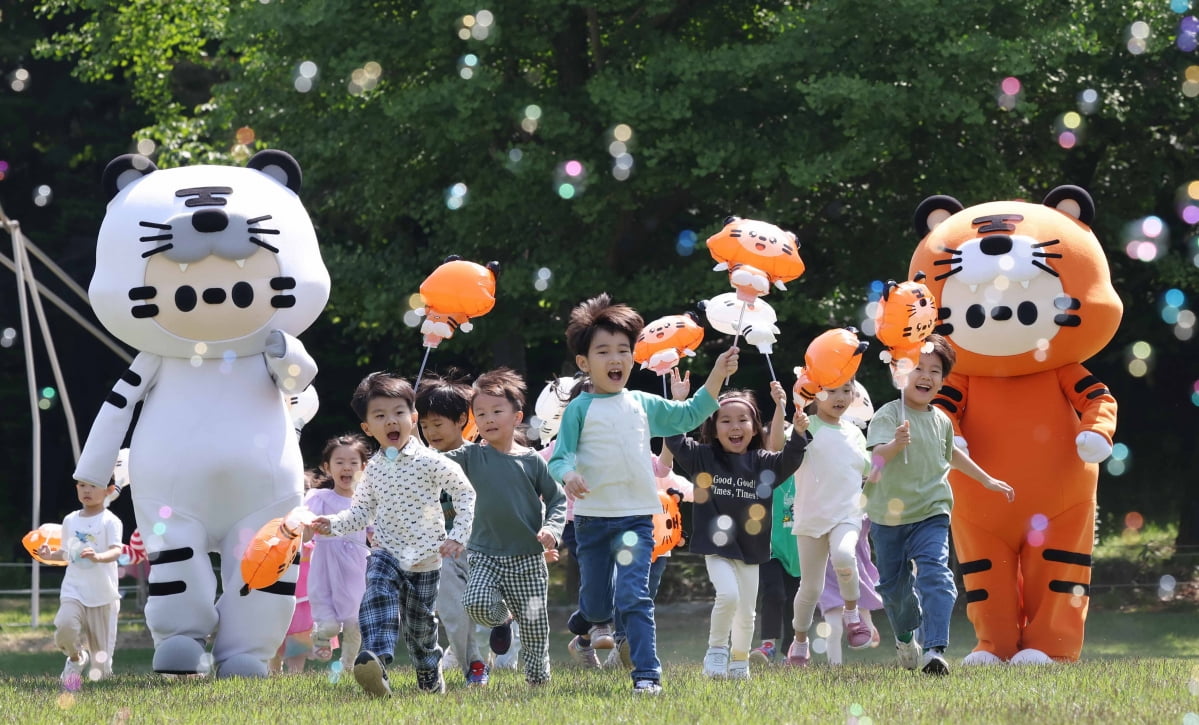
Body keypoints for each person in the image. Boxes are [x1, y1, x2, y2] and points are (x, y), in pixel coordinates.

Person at [548, 293, 739, 695]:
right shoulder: (579, 409)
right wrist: (569, 476)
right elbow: (559, 458)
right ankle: (586, 621)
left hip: (637, 517)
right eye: (603, 351)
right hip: (592, 521)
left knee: (634, 596)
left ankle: (647, 676)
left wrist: (718, 375)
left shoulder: (643, 403)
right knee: (599, 605)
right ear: (584, 363)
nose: (615, 359)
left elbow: (688, 415)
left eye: (623, 350)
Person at [311, 372, 475, 697]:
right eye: (380, 415)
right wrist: (333, 524)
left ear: (413, 418)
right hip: (386, 550)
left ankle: (429, 669)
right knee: (377, 595)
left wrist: (459, 533)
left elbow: (465, 493)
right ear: (367, 428)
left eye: (399, 412)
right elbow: (360, 512)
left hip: (426, 558)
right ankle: (376, 661)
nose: (391, 421)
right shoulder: (372, 468)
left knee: (420, 627)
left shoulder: (431, 461)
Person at [864, 335, 1015, 676]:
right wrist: (893, 445)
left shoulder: (942, 420)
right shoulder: (888, 416)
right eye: (918, 367)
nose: (926, 376)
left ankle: (935, 650)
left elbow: (952, 454)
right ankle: (906, 637)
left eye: (935, 371)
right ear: (899, 372)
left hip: (932, 512)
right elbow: (873, 458)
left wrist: (987, 479)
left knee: (937, 575)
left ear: (943, 381)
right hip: (889, 519)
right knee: (894, 588)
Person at [665, 381, 809, 681]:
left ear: (755, 428)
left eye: (742, 420)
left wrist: (797, 431)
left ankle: (740, 661)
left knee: (746, 613)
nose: (735, 426)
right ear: (713, 427)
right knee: (728, 595)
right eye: (725, 420)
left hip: (752, 551)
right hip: (716, 548)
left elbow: (792, 459)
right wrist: (679, 403)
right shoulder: (703, 457)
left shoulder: (763, 463)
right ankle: (716, 651)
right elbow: (675, 441)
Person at [443, 368, 567, 686]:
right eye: (480, 413)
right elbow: (438, 461)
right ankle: (503, 618)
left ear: (516, 417)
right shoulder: (470, 455)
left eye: (497, 411)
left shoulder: (532, 461)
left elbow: (557, 501)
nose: (488, 419)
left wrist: (552, 530)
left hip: (527, 558)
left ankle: (538, 679)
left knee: (535, 628)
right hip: (484, 554)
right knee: (475, 603)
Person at [785, 380, 876, 667]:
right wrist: (785, 416)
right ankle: (799, 641)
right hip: (811, 519)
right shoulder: (803, 424)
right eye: (833, 391)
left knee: (844, 555)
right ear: (815, 394)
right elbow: (778, 449)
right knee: (810, 588)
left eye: (847, 391)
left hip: (848, 515)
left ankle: (853, 613)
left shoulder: (854, 433)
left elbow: (870, 469)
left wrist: (894, 449)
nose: (841, 397)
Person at [415, 373, 489, 686]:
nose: (430, 432)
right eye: (425, 425)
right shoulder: (420, 462)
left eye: (437, 424)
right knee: (452, 612)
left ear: (461, 420)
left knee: (483, 611)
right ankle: (475, 667)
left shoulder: (482, 456)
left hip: (482, 547)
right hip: (441, 550)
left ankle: (495, 632)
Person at [41, 479, 123, 688]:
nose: (87, 490)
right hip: (74, 590)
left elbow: (116, 550)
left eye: (93, 485)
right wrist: (51, 554)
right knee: (65, 626)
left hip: (103, 595)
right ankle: (76, 658)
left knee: (101, 667)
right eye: (82, 485)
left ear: (109, 490)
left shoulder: (110, 521)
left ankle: (101, 682)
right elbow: (67, 553)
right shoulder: (70, 520)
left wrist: (99, 556)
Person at [306, 434, 372, 674]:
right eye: (340, 462)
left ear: (363, 468)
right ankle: (321, 634)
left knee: (355, 622)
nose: (347, 468)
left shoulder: (366, 501)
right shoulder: (319, 498)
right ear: (327, 467)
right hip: (326, 564)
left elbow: (375, 533)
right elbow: (305, 528)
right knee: (331, 625)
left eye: (354, 463)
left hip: (356, 567)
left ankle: (346, 666)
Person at [818, 516, 884, 666]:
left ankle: (868, 625)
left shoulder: (856, 507)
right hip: (827, 577)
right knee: (833, 626)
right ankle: (835, 670)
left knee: (865, 640)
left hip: (854, 577)